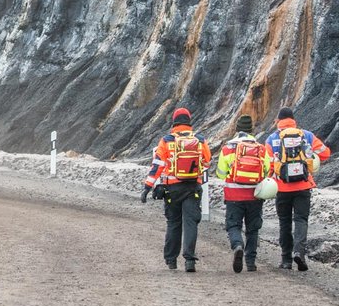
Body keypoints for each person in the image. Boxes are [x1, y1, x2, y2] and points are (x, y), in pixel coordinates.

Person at [142, 107, 211, 272]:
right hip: (193, 186)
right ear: (189, 122)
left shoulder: (166, 140)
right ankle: (189, 260)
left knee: (173, 223)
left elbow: (157, 165)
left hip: (172, 188)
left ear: (174, 122)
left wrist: (147, 187)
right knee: (190, 222)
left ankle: (171, 260)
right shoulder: (200, 140)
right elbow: (207, 162)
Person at [265, 106, 332, 270]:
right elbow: (326, 153)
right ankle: (299, 253)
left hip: (282, 187)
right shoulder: (306, 135)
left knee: (284, 222)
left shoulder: (272, 139)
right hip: (303, 185)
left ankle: (286, 259)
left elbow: (267, 166)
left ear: (278, 121)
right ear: (293, 120)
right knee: (301, 220)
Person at [215, 114, 271, 272]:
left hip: (234, 196)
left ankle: (238, 245)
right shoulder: (261, 149)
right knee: (253, 229)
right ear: (251, 130)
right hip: (255, 195)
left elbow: (220, 173)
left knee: (233, 225)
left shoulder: (228, 148)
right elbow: (268, 171)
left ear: (237, 129)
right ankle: (251, 262)